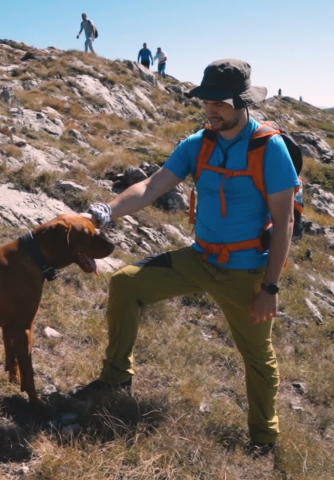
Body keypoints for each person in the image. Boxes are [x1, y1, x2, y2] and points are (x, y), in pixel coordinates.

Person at [77, 59, 300, 456]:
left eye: (220, 103)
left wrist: (270, 286)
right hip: (199, 259)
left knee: (258, 360)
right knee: (125, 283)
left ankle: (264, 438)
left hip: (246, 273)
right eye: (207, 102)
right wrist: (106, 212)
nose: (211, 110)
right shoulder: (199, 143)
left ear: (242, 102)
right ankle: (115, 378)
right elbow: (151, 186)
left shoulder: (270, 148)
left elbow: (283, 224)